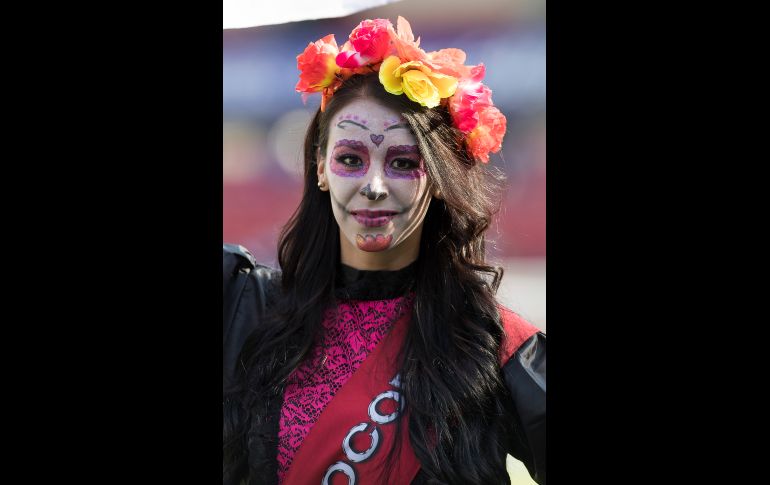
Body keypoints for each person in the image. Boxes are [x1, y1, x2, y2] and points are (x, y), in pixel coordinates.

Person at [223, 16, 545, 485]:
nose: (374, 187)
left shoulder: (495, 346)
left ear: (438, 179)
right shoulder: (245, 310)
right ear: (320, 168)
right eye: (350, 159)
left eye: (403, 162)